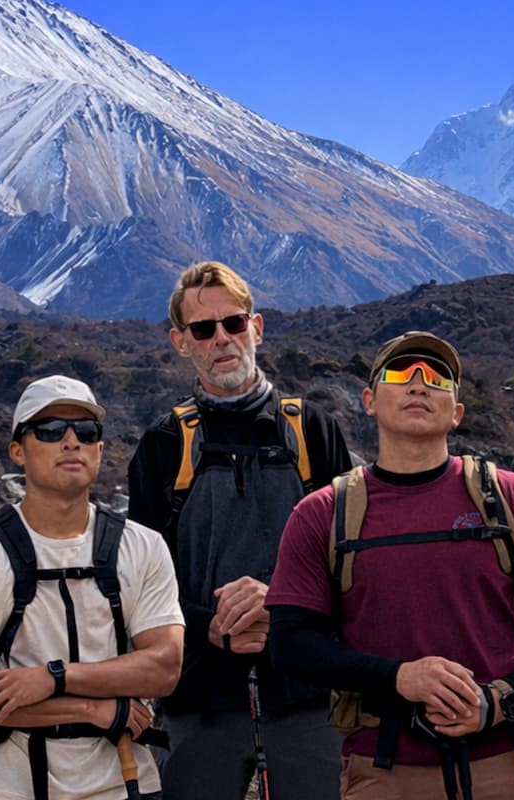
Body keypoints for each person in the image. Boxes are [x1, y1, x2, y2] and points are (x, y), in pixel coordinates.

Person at [267, 330, 514, 800]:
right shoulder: (322, 514)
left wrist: (498, 700)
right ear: (369, 399)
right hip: (385, 768)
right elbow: (290, 644)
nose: (419, 384)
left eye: (437, 378)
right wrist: (399, 678)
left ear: (457, 412)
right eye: (401, 373)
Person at [127, 261, 352, 800]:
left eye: (233, 323)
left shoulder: (313, 430)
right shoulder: (163, 445)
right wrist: (211, 627)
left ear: (257, 327)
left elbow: (352, 560)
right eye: (203, 330)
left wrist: (280, 605)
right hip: (199, 700)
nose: (221, 339)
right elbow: (139, 582)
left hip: (307, 696)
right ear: (181, 342)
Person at [0, 375, 185, 800]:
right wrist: (93, 708)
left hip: (125, 785)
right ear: (17, 450)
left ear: (100, 449)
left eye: (86, 432)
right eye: (50, 431)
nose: (71, 442)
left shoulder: (143, 547)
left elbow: (164, 666)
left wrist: (53, 678)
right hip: (6, 789)